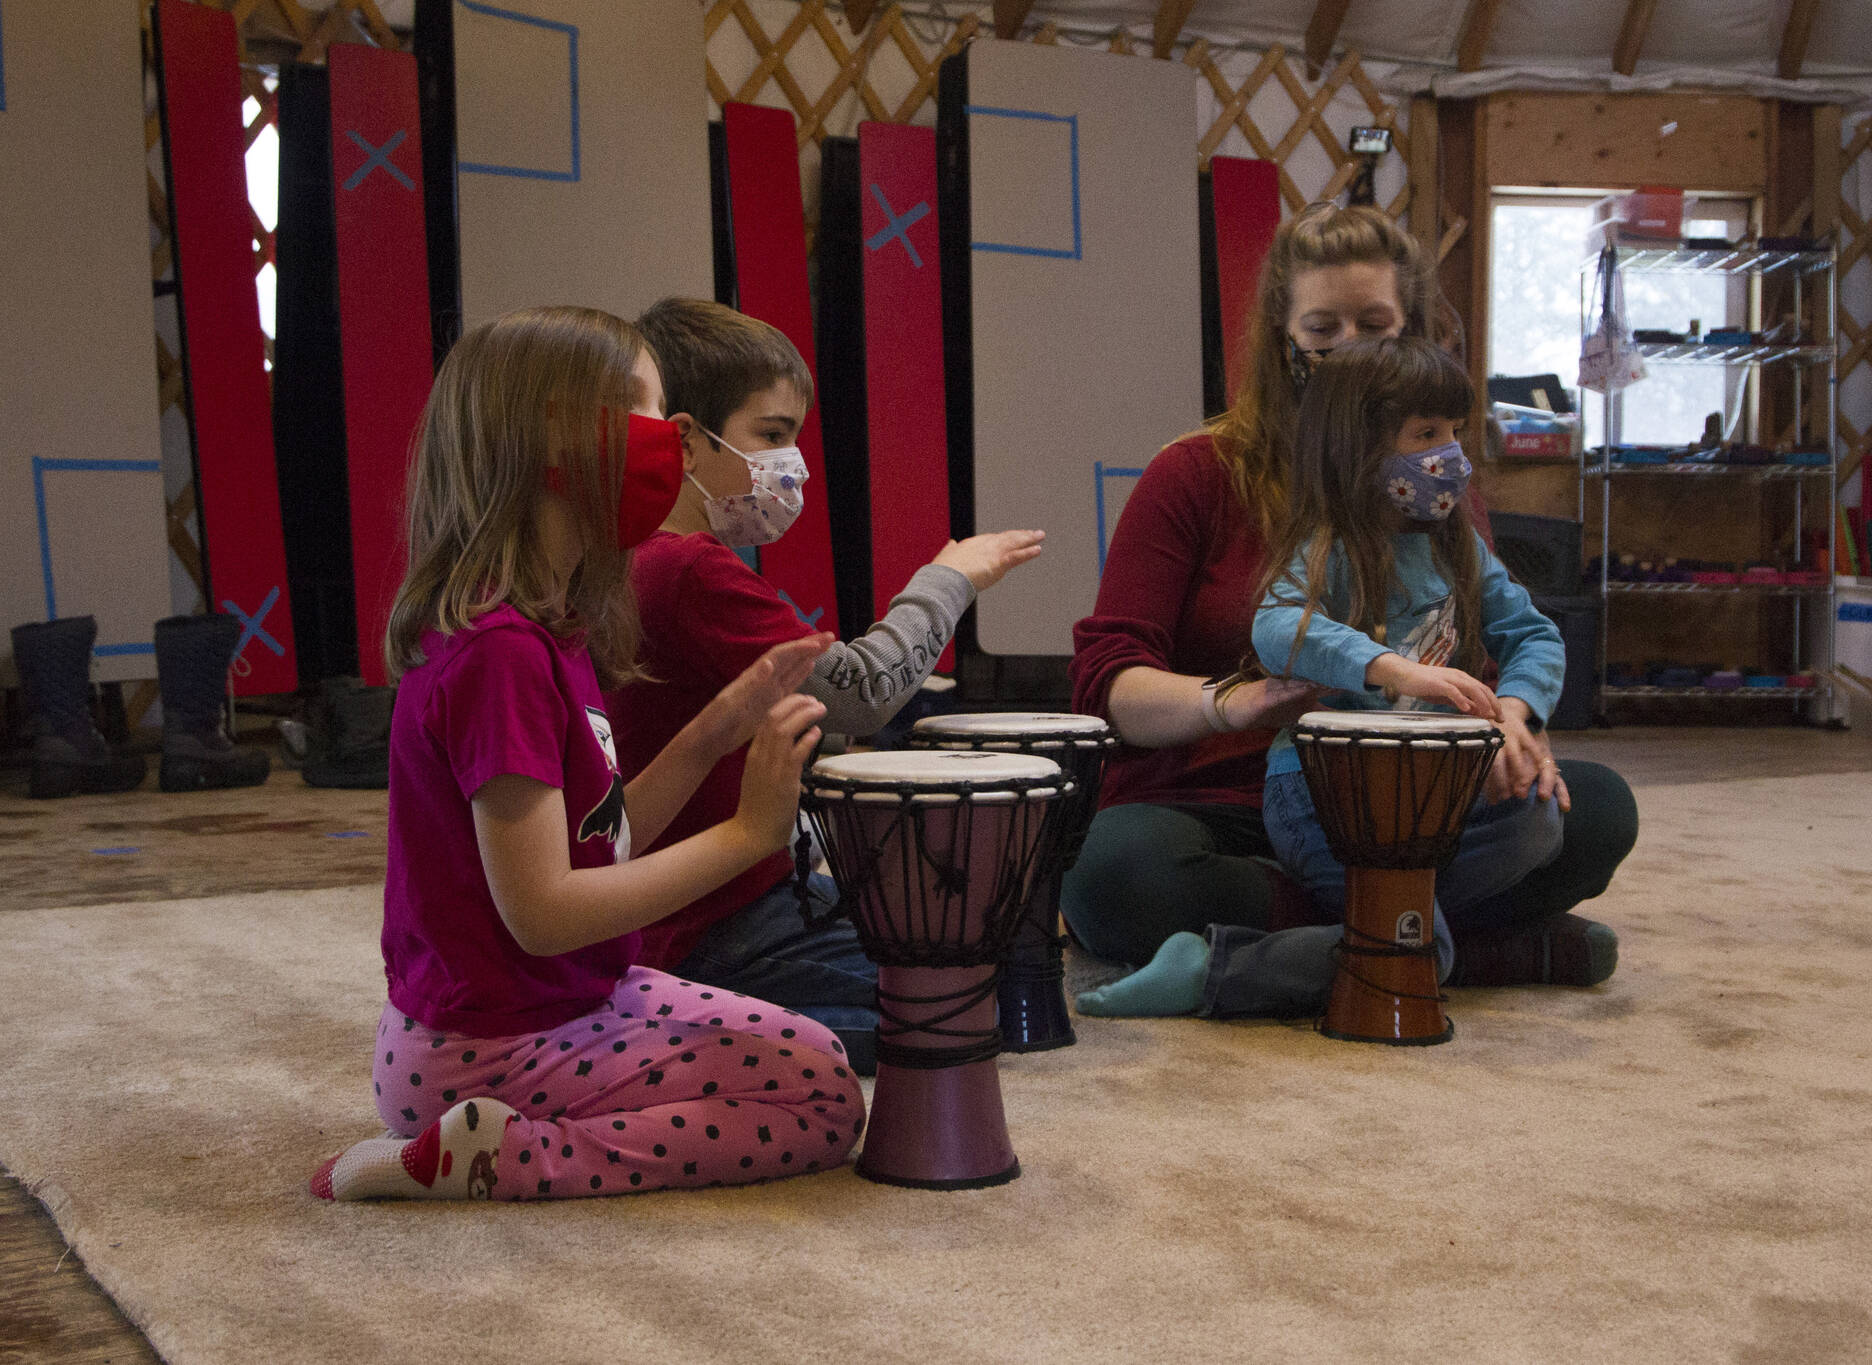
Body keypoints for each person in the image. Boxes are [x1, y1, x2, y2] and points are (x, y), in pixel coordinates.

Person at [312, 306, 863, 1202]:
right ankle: (504, 1155)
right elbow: (544, 910)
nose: (676, 444)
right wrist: (749, 834)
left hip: (556, 1004)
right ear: (560, 443)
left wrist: (713, 730)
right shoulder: (496, 651)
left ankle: (490, 1138)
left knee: (816, 1056)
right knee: (820, 1100)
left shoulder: (548, 627)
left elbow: (600, 839)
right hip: (485, 1045)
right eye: (653, 417)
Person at [1066, 201, 1636, 987]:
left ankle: (1338, 948)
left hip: (1409, 793)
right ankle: (1477, 947)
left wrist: (1513, 725)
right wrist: (1232, 702)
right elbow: (1109, 683)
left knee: (1594, 810)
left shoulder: (1431, 490)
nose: (1349, 352)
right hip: (1230, 803)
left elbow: (1473, 646)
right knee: (1112, 876)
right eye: (1322, 331)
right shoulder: (1195, 474)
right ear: (1282, 338)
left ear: (1415, 335)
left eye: (1375, 327)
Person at [607, 299, 1043, 1074]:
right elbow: (862, 691)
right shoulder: (687, 569)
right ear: (684, 438)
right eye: (771, 436)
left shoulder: (642, 557)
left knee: (955, 977)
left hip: (692, 909)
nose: (792, 463)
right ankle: (696, 1023)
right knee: (968, 1002)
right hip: (715, 922)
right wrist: (950, 579)